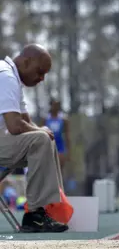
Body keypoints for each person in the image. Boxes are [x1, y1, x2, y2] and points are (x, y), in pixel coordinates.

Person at [0, 44, 68, 232]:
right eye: (39, 72)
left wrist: (42, 130)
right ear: (26, 61)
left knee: (44, 137)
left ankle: (50, 207)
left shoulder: (13, 78)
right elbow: (15, 126)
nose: (41, 79)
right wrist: (41, 133)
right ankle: (35, 215)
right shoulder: (5, 76)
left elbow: (25, 120)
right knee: (40, 140)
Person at [42, 98, 71, 170]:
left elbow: (67, 136)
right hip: (49, 147)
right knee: (49, 170)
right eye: (54, 105)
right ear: (51, 105)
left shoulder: (63, 119)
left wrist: (69, 153)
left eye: (58, 105)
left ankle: (60, 181)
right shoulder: (45, 119)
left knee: (59, 169)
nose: (56, 107)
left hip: (60, 147)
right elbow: (41, 135)